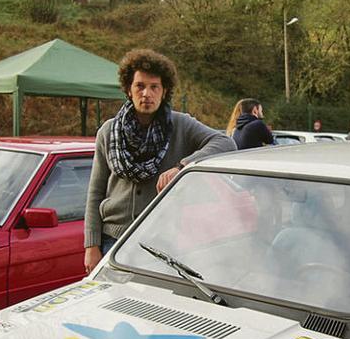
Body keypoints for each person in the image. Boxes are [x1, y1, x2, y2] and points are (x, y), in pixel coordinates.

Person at [84, 49, 236, 273]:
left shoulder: (180, 124)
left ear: (164, 91)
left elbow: (225, 142)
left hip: (160, 242)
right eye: (140, 86)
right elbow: (95, 192)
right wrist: (91, 244)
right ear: (129, 89)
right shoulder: (108, 131)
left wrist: (182, 167)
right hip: (112, 241)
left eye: (154, 87)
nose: (147, 93)